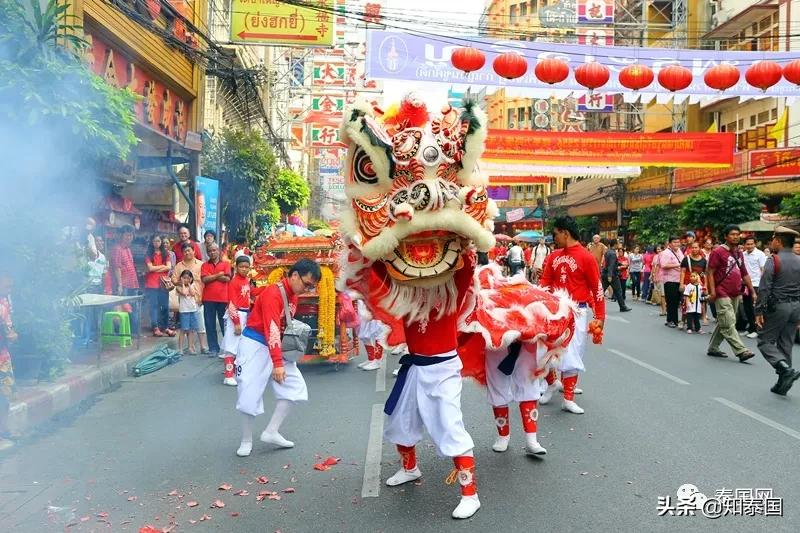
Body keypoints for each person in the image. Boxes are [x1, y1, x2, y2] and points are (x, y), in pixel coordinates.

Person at [235, 259, 320, 457]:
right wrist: (278, 363)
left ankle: (271, 431)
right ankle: (246, 440)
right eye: (307, 284)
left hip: (275, 345)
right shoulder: (273, 293)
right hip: (255, 345)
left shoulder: (293, 295)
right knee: (248, 393)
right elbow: (271, 328)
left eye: (311, 287)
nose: (307, 290)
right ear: (295, 275)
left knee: (295, 387)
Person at [538, 216, 605, 415]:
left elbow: (597, 289)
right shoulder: (553, 256)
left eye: (555, 234)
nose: (554, 238)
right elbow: (544, 283)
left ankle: (568, 399)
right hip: (553, 312)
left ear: (565, 233)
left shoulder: (587, 257)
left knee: (572, 354)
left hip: (577, 313)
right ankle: (552, 383)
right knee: (543, 351)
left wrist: (600, 316)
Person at [755, 227, 800, 395]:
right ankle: (783, 383)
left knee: (764, 341)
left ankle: (785, 369)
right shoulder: (799, 260)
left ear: (779, 241)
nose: (771, 242)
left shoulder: (773, 260)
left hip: (778, 307)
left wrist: (758, 311)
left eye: (773, 239)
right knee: (786, 343)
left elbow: (764, 288)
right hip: (796, 306)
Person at [706, 225, 756, 362]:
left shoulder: (739, 252)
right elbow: (710, 272)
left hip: (735, 292)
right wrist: (712, 291)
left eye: (737, 234)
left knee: (725, 320)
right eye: (732, 234)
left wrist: (752, 291)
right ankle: (741, 351)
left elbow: (744, 273)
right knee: (728, 322)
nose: (735, 237)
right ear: (726, 236)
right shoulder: (717, 252)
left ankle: (713, 347)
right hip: (721, 292)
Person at [172, 243, 209, 353]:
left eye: (189, 250)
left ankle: (203, 346)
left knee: (200, 324)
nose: (187, 253)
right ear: (182, 253)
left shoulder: (201, 264)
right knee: (186, 326)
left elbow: (205, 281)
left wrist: (203, 297)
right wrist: (183, 284)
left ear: (194, 251)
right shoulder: (179, 266)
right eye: (185, 251)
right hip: (185, 300)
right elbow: (174, 280)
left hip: (199, 298)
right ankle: (190, 347)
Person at [222, 255, 252, 386]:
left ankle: (235, 373)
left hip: (245, 314)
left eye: (246, 267)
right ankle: (228, 375)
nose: (244, 269)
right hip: (236, 314)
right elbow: (232, 304)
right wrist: (236, 322)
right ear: (236, 267)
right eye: (241, 267)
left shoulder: (246, 280)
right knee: (231, 346)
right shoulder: (234, 282)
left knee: (241, 346)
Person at [201, 243, 231, 355]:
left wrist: (211, 276)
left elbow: (227, 279)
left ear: (218, 251)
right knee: (210, 324)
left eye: (214, 250)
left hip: (223, 298)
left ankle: (228, 348)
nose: (212, 252)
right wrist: (218, 275)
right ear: (207, 253)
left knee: (225, 325)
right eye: (210, 251)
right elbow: (205, 280)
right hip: (208, 299)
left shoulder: (226, 264)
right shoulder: (204, 265)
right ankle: (213, 348)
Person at [111, 225, 141, 336]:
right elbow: (117, 267)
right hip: (123, 285)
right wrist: (119, 285)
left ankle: (133, 332)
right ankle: (123, 332)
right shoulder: (117, 249)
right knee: (124, 308)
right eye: (127, 235)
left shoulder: (128, 249)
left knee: (133, 308)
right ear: (121, 235)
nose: (129, 237)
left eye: (131, 235)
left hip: (132, 283)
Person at [144, 235, 174, 337]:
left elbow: (169, 267)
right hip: (152, 284)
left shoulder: (166, 254)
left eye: (158, 241)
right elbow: (150, 268)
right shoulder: (149, 254)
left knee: (165, 306)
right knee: (154, 306)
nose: (157, 243)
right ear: (151, 242)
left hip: (163, 284)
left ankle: (165, 327)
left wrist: (156, 268)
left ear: (161, 242)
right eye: (155, 241)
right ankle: (155, 327)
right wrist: (162, 266)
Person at [0, 274, 17, 451]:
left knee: (5, 395)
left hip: (3, 357)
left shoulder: (5, 303)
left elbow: (9, 330)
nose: (9, 290)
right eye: (6, 287)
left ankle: (4, 429)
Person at [741, 236, 767, 339]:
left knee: (755, 308)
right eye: (747, 244)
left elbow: (763, 269)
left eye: (752, 244)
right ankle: (751, 328)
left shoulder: (760, 254)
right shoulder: (743, 254)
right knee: (746, 308)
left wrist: (763, 285)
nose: (750, 246)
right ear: (744, 245)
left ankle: (757, 329)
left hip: (756, 284)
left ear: (755, 244)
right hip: (745, 284)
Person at [679, 242, 707, 330]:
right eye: (693, 248)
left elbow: (705, 274)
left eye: (696, 247)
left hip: (699, 286)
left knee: (697, 304)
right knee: (686, 303)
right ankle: (682, 321)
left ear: (699, 248)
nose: (694, 249)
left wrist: (705, 286)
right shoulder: (686, 259)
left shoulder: (704, 261)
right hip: (688, 285)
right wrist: (681, 284)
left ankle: (695, 322)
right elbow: (683, 272)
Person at [658, 237, 684, 328]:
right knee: (671, 301)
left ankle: (675, 320)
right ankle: (670, 320)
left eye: (678, 242)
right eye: (674, 242)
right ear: (669, 243)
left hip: (679, 279)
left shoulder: (679, 251)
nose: (677, 244)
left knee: (676, 301)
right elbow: (664, 265)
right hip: (670, 280)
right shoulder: (666, 253)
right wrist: (678, 265)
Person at [176, 270, 202, 354]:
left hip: (192, 310)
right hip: (184, 311)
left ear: (191, 279)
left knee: (191, 330)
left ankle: (190, 347)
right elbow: (184, 293)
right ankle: (180, 349)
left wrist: (190, 284)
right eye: (184, 278)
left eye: (188, 278)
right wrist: (183, 284)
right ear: (181, 278)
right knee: (183, 330)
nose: (186, 280)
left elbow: (193, 293)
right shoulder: (179, 287)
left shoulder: (193, 285)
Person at [602, 240, 631, 312]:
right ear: (615, 245)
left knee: (601, 291)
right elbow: (611, 265)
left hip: (606, 273)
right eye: (618, 244)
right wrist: (610, 275)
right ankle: (623, 307)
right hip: (612, 275)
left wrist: (621, 264)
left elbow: (612, 263)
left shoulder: (608, 252)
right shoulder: (613, 253)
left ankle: (594, 304)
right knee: (618, 291)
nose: (619, 245)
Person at [356, 299, 385, 371]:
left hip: (375, 300)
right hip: (363, 300)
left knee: (378, 330)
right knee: (363, 333)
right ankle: (371, 359)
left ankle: (378, 360)